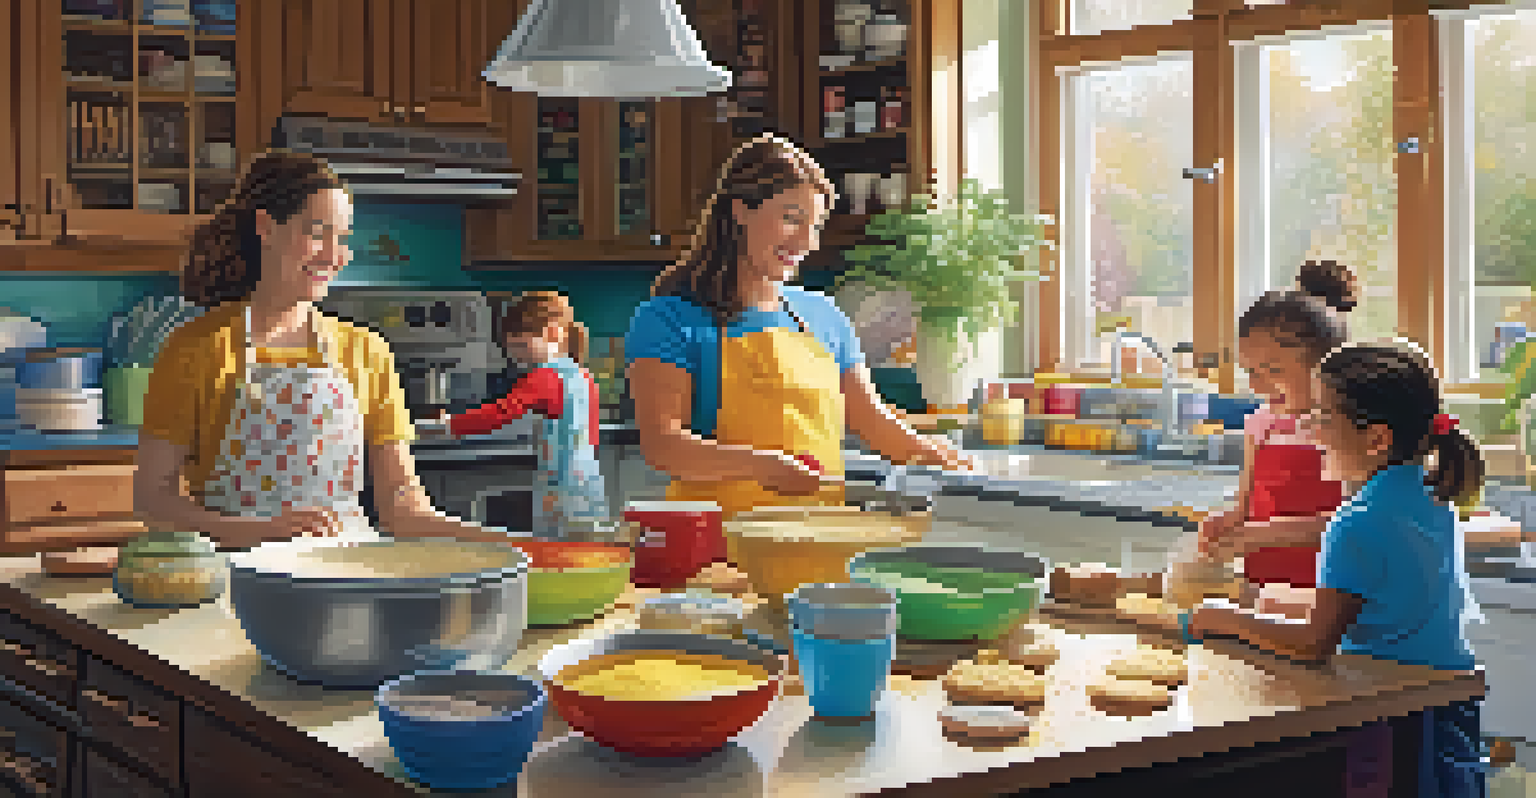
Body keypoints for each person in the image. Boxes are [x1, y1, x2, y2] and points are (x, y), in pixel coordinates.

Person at [135, 150, 519, 547]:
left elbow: (402, 506)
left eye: (343, 238)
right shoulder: (197, 348)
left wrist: (507, 543)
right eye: (317, 232)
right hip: (241, 578)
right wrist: (262, 532)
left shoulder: (366, 351)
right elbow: (153, 501)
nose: (335, 257)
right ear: (266, 227)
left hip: (348, 572)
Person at [1188, 340, 1488, 797]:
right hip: (1446, 707)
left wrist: (1219, 618)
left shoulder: (1355, 523)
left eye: (1323, 416)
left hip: (1387, 715)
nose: (1309, 429)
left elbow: (1314, 644)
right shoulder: (1433, 497)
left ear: (1377, 438)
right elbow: (1389, 609)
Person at [624, 134, 970, 519]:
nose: (806, 241)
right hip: (718, 546)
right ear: (740, 212)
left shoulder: (824, 316)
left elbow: (870, 418)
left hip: (820, 539)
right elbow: (663, 446)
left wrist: (932, 453)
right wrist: (764, 466)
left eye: (816, 225)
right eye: (791, 218)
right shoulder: (670, 318)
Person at [1195, 260, 1359, 610]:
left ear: (1325, 365)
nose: (1256, 384)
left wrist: (1264, 534)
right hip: (1263, 595)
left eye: (1273, 369)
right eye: (1251, 370)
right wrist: (1225, 523)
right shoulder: (1260, 425)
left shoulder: (1351, 431)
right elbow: (1246, 506)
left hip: (1331, 602)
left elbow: (1360, 524)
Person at [440, 291, 608, 538]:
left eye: (521, 345)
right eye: (510, 347)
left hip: (559, 486)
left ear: (553, 333)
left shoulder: (543, 377)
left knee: (555, 548)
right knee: (586, 547)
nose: (514, 355)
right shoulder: (584, 377)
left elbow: (502, 413)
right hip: (590, 482)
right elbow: (590, 433)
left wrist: (448, 425)